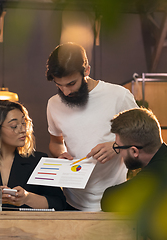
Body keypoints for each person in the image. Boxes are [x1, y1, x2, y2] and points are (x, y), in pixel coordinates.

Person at [45, 42, 139, 211]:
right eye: (59, 85)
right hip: (71, 200)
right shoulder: (53, 104)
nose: (65, 92)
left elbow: (144, 136)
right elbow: (56, 142)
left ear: (86, 70)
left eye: (71, 84)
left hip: (113, 200)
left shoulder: (119, 96)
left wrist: (117, 146)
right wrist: (61, 154)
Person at [101, 108, 167, 240]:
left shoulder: (156, 174)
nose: (119, 153)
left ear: (134, 151)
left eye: (118, 148)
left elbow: (109, 199)